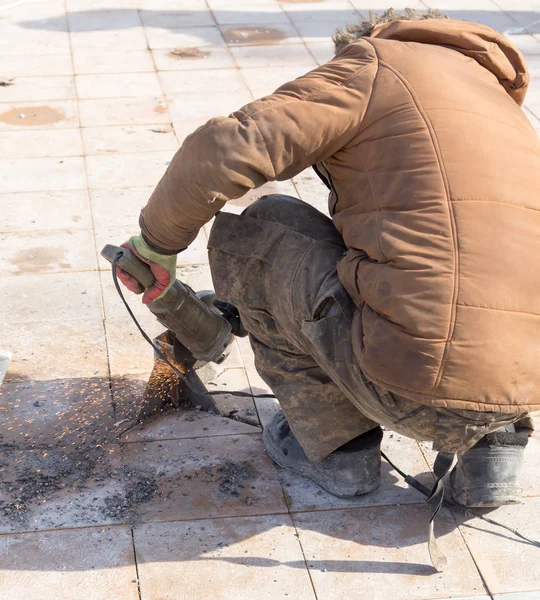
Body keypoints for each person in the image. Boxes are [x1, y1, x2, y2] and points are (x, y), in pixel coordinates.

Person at [118, 9, 540, 508]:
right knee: (487, 259)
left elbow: (230, 146)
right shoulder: (494, 98)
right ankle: (496, 451)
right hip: (523, 385)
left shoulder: (375, 63)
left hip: (409, 385)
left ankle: (340, 449)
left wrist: (155, 243)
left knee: (265, 227)